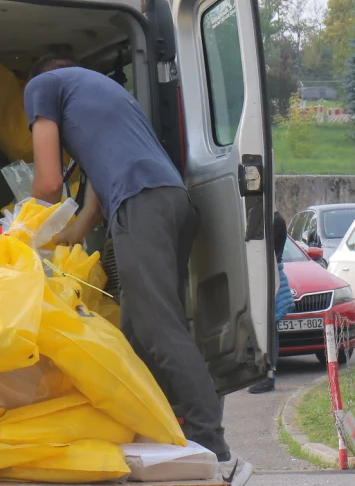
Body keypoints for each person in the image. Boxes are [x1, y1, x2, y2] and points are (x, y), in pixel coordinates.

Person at [22, 53, 251, 485]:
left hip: (140, 203)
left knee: (158, 328)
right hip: (171, 201)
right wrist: (69, 236)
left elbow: (49, 182)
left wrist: (25, 229)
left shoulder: (42, 87)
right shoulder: (103, 96)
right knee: (135, 335)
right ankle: (156, 439)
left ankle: (216, 450)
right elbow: (94, 193)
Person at [249, 211, 293, 394]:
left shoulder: (271, 221)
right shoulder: (277, 219)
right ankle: (265, 375)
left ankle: (267, 377)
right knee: (269, 332)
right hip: (274, 277)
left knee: (267, 333)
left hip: (270, 280)